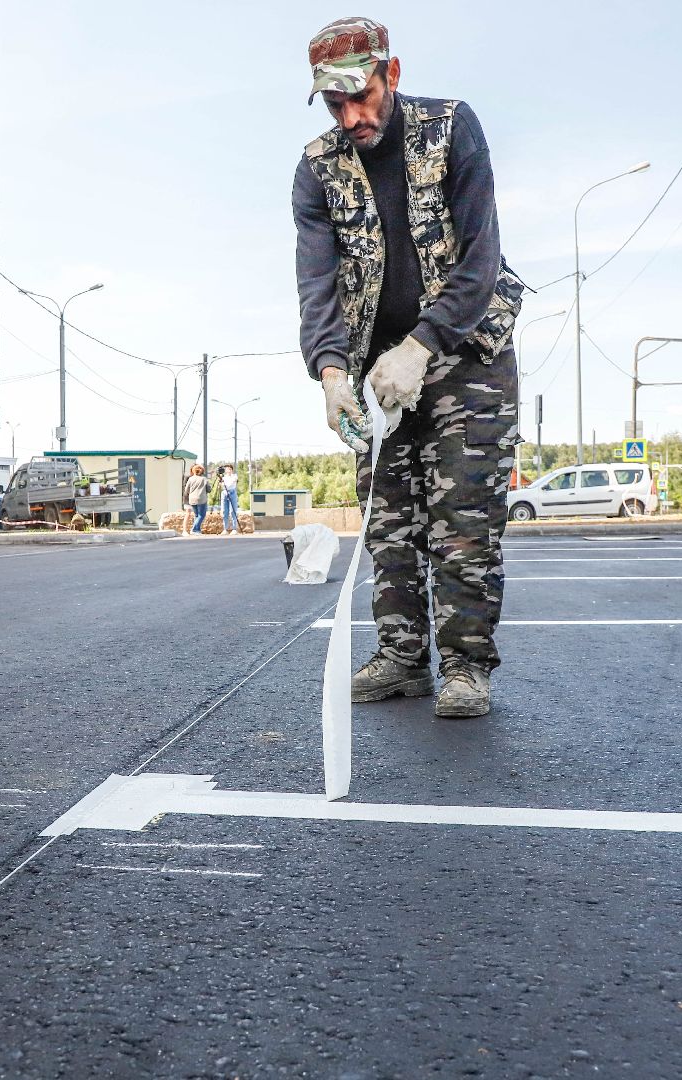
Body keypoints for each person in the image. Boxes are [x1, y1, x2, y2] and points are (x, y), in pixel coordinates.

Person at [293, 16, 524, 718]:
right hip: (375, 374)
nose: (352, 116)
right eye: (335, 105)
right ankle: (401, 658)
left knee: (463, 520)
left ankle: (464, 667)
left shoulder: (451, 127)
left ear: (391, 74)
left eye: (360, 96)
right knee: (386, 522)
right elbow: (318, 283)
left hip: (463, 357)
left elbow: (480, 258)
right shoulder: (316, 168)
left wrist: (421, 346)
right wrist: (332, 372)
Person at [183, 465, 210, 536]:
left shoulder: (190, 479)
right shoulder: (204, 479)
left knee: (196, 515)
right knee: (202, 515)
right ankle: (194, 529)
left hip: (192, 499)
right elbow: (209, 489)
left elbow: (186, 490)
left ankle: (197, 530)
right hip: (201, 499)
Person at [219, 465, 241, 535]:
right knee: (225, 511)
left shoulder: (234, 476)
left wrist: (223, 482)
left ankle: (234, 528)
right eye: (227, 469)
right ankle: (225, 528)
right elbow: (220, 485)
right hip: (224, 493)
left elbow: (229, 484)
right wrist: (220, 481)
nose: (228, 470)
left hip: (232, 492)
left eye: (230, 469)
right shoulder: (223, 477)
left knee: (233, 511)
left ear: (232, 470)